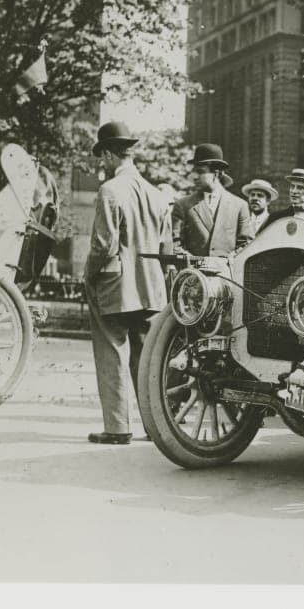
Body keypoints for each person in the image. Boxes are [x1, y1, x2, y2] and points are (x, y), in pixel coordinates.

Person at [82, 121, 171, 445]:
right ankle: (156, 425)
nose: (100, 163)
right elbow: (166, 249)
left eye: (101, 157)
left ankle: (118, 428)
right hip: (151, 287)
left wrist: (88, 275)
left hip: (115, 286)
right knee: (147, 357)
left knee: (112, 351)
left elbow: (103, 245)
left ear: (108, 154)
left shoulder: (110, 190)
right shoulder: (158, 195)